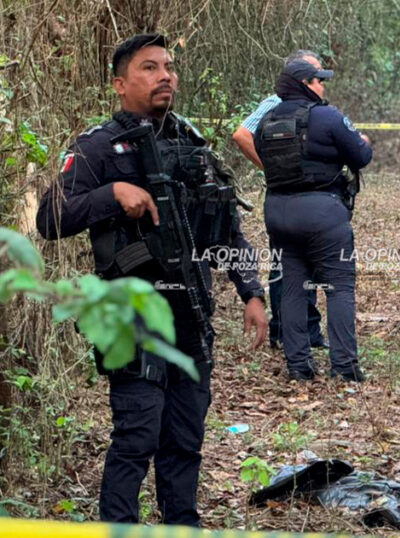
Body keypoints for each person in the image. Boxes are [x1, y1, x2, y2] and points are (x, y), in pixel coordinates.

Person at [35, 34, 268, 525]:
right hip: (131, 315)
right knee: (137, 435)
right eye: (149, 67)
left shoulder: (192, 143)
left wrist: (251, 292)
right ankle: (119, 527)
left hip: (191, 313)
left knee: (184, 438)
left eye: (168, 66)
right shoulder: (98, 146)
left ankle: (182, 525)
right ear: (120, 85)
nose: (165, 76)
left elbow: (227, 229)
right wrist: (113, 193)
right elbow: (50, 218)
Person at [255, 60, 372, 382]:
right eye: (318, 81)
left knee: (292, 287)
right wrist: (364, 141)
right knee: (338, 286)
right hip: (322, 212)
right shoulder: (328, 116)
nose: (322, 86)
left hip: (278, 213)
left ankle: (299, 366)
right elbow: (360, 157)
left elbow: (263, 157)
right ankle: (345, 367)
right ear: (305, 84)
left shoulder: (266, 120)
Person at [232, 50, 326, 350]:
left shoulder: (314, 106)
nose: (320, 79)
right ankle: (281, 331)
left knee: (310, 262)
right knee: (284, 265)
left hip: (309, 195)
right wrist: (270, 168)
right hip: (283, 195)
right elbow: (241, 134)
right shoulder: (275, 102)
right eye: (314, 73)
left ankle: (308, 330)